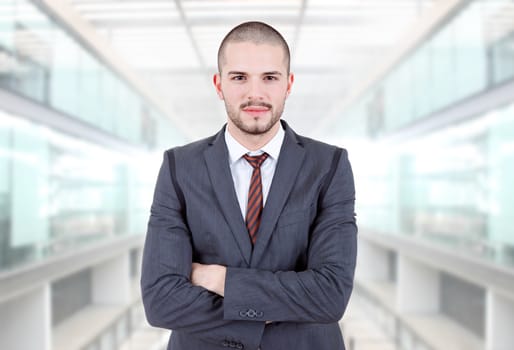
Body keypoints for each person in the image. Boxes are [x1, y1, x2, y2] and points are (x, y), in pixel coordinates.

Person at [141, 21, 357, 350]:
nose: (255, 93)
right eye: (239, 77)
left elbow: (330, 296)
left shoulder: (328, 166)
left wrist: (218, 279)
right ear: (219, 84)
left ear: (288, 84)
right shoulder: (178, 167)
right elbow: (160, 300)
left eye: (269, 78)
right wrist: (280, 304)